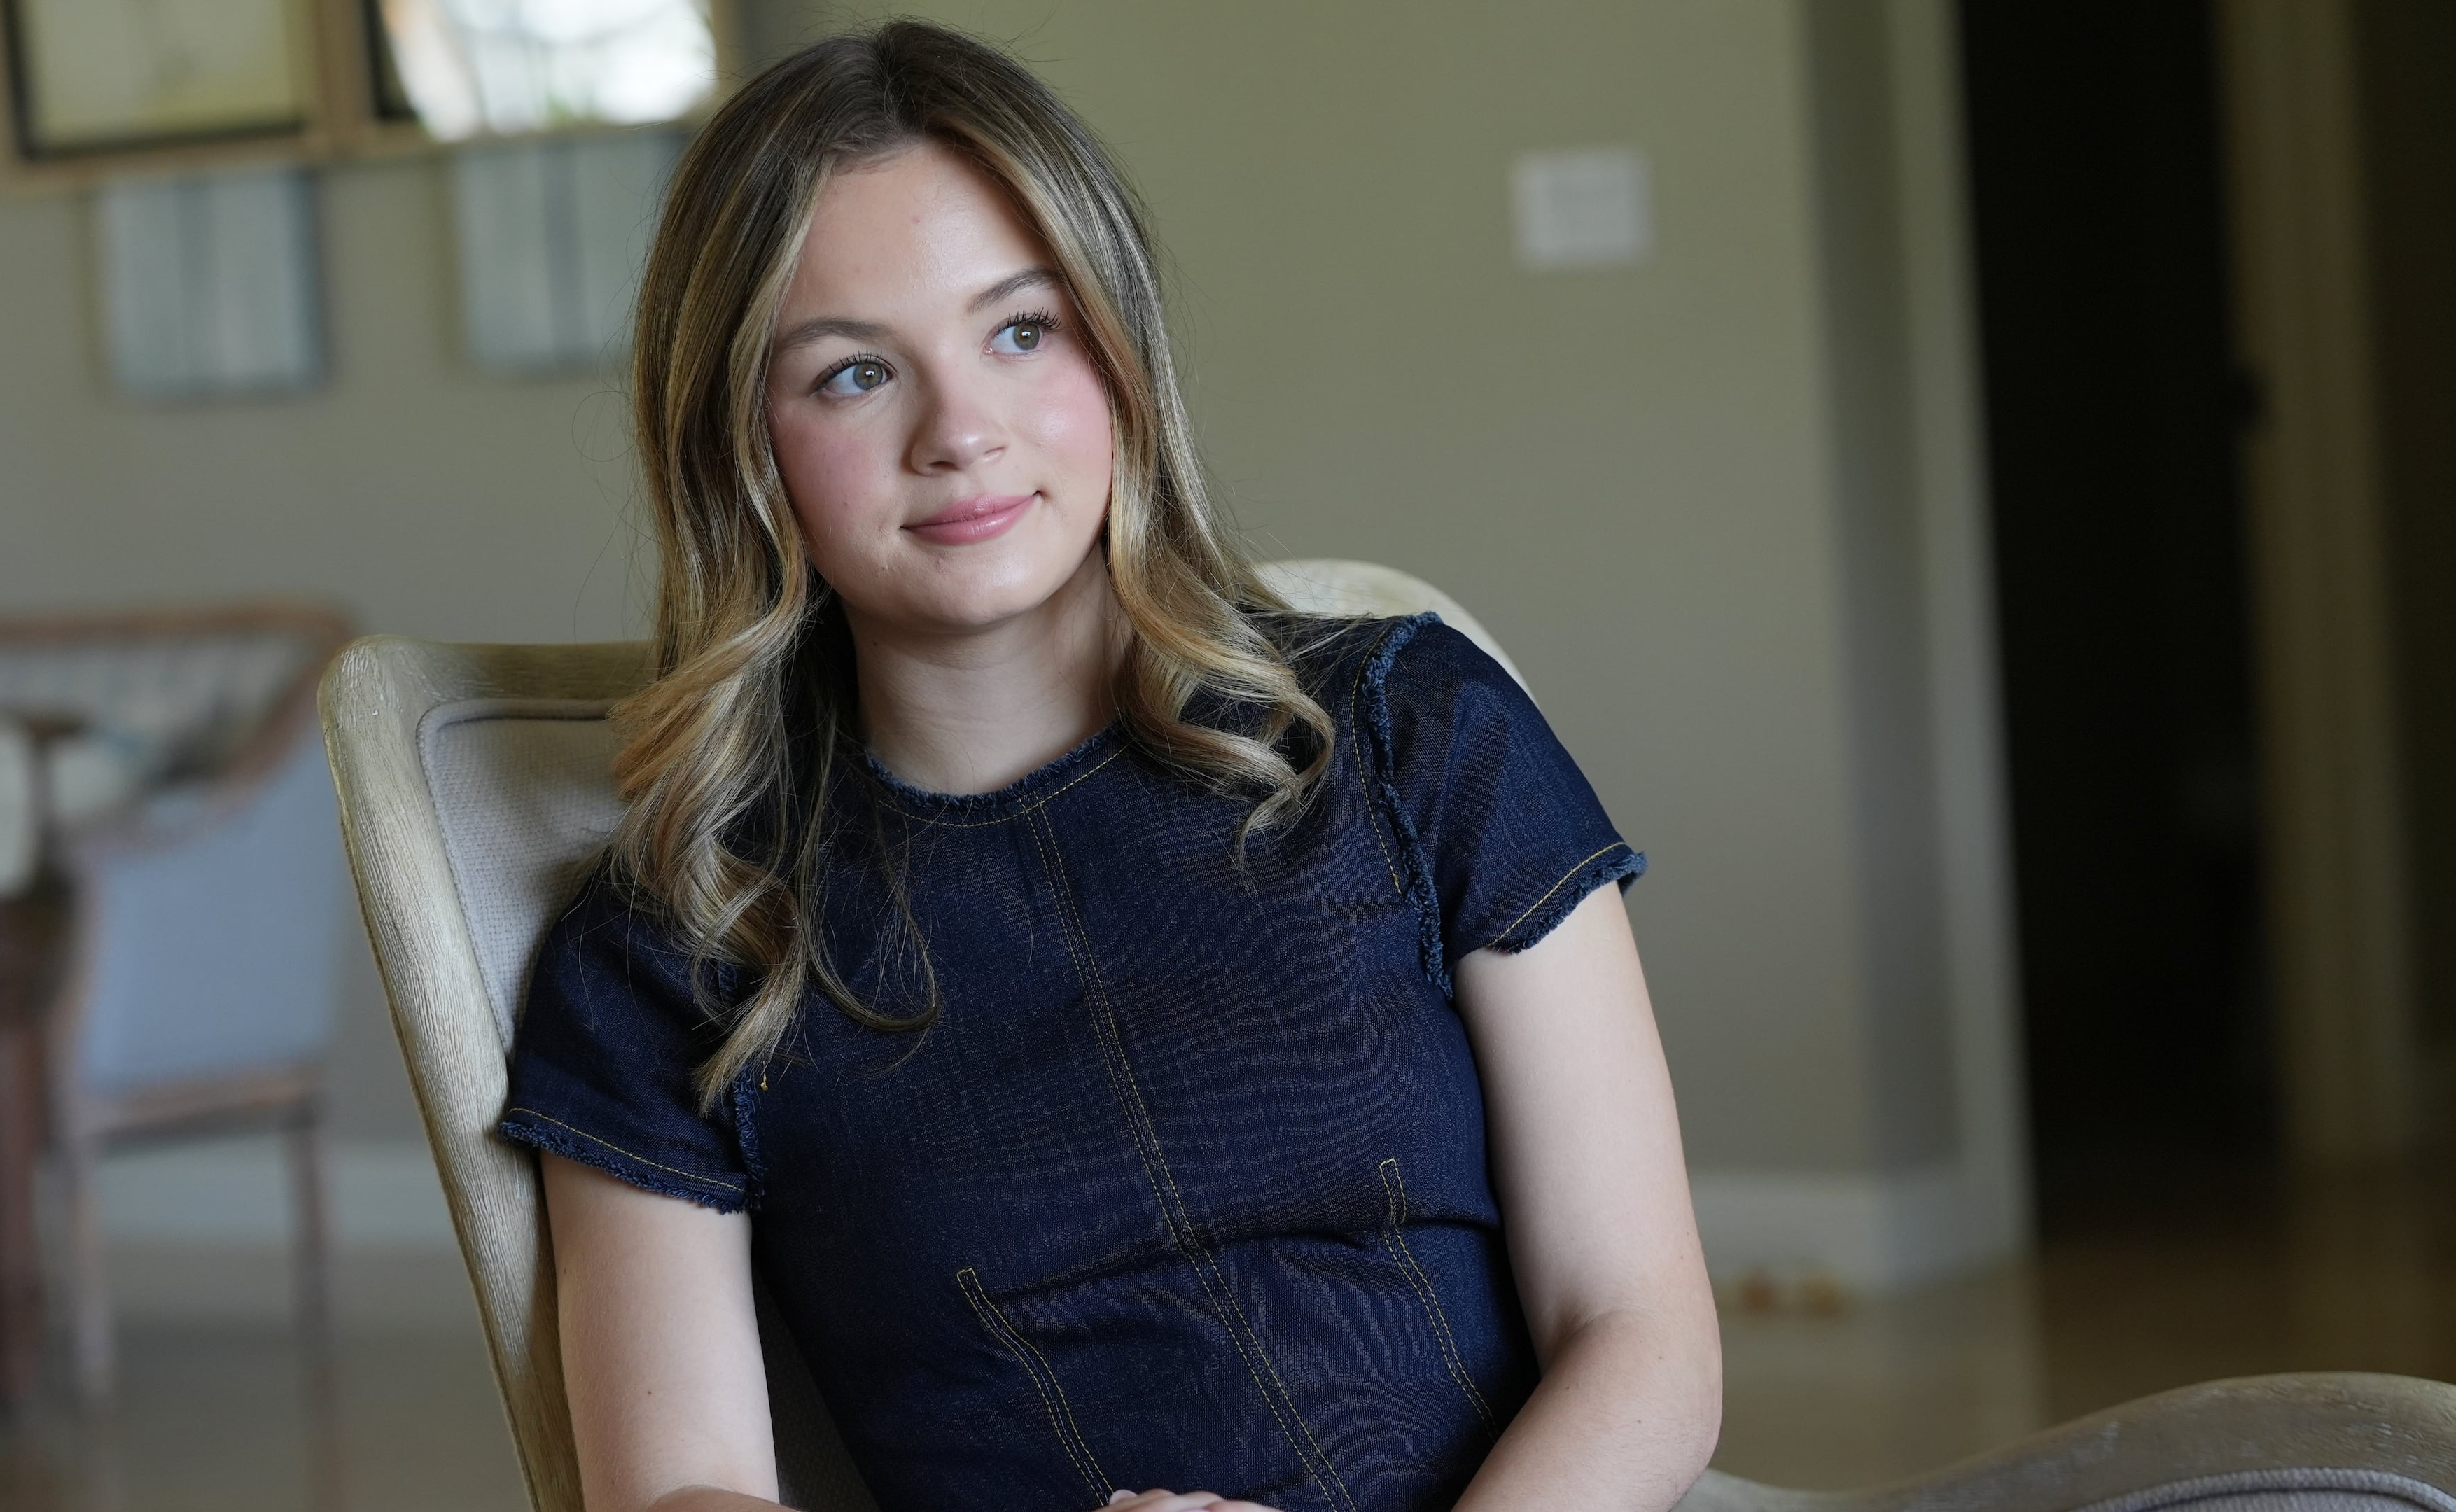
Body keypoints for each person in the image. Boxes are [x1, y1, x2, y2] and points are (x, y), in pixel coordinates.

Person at [498, 21, 1719, 1512]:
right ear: (737, 445)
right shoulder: (673, 952)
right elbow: (683, 1491)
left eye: (1023, 331)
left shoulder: (1413, 733)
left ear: (1120, 350)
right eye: (853, 374)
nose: (961, 432)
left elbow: (1644, 1338)